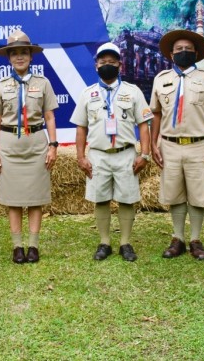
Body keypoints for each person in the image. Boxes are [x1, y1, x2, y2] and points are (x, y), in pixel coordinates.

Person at [150, 29, 204, 260]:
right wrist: (154, 144)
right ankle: (178, 238)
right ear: (171, 54)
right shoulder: (161, 79)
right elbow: (155, 114)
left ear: (195, 53)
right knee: (174, 193)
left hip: (199, 145)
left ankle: (195, 238)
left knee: (198, 194)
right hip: (170, 145)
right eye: (178, 50)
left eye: (188, 49)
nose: (183, 52)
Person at [70, 42, 153, 262]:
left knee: (127, 199)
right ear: (96, 65)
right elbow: (81, 128)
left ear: (120, 65)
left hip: (126, 154)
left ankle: (125, 242)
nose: (108, 65)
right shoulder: (88, 94)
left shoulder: (132, 92)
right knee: (101, 199)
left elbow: (144, 125)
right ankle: (104, 242)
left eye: (112, 62)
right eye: (103, 62)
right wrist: (80, 157)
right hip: (98, 155)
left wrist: (144, 154)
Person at [0, 30, 58, 264]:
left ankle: (34, 245)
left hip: (37, 144)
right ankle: (18, 245)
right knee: (13, 199)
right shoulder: (1, 85)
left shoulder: (43, 83)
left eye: (24, 52)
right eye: (15, 53)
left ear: (31, 56)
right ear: (9, 58)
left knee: (36, 198)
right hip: (9, 146)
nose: (20, 57)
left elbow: (49, 117)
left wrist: (53, 145)